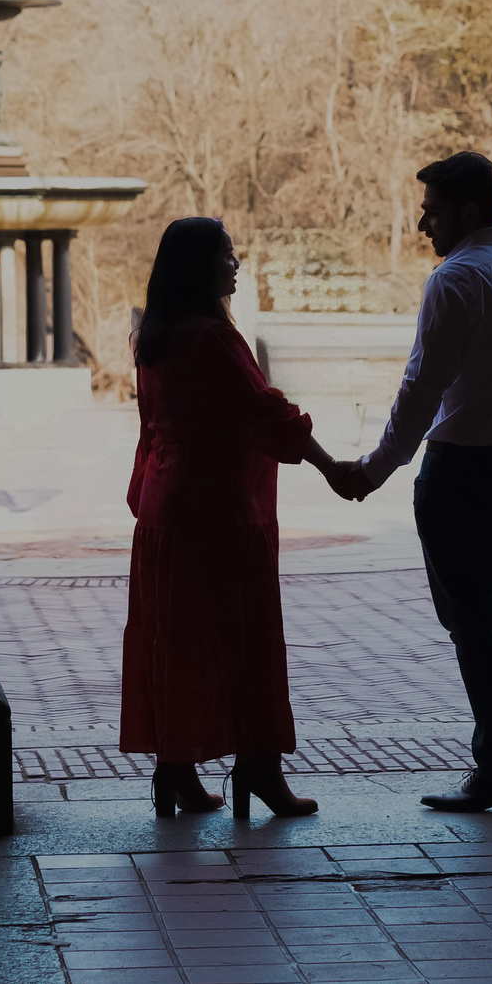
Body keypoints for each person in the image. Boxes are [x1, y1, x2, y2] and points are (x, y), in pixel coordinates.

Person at [328, 151, 492, 812]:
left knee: (476, 624)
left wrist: (376, 468)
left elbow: (422, 388)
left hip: (462, 469)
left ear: (467, 211)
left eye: (432, 211)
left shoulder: (456, 280)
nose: (422, 224)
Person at [120, 215, 355, 819]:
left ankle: (175, 769)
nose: (236, 262)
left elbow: (152, 428)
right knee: (242, 638)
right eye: (227, 254)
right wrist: (333, 468)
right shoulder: (214, 339)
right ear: (201, 266)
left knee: (177, 640)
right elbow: (266, 415)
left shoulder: (155, 338)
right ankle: (258, 767)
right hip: (220, 507)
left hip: (165, 507)